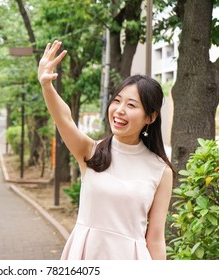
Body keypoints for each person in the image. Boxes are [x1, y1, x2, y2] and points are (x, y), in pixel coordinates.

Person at [38, 40, 174, 260]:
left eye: (131, 105)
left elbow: (156, 237)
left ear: (150, 117)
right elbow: (64, 118)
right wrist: (46, 86)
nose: (119, 111)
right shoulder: (91, 151)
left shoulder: (161, 171)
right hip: (85, 256)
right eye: (117, 101)